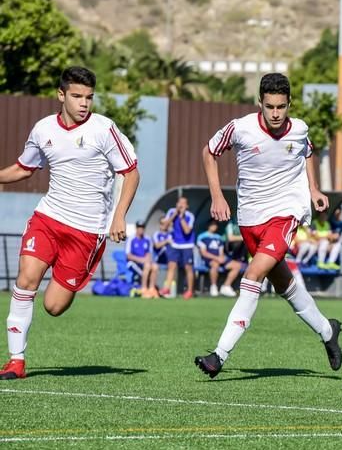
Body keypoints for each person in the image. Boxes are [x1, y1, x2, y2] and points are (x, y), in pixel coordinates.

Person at [195, 72, 342, 379]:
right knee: (285, 286)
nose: (276, 113)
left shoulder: (299, 129)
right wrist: (217, 195)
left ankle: (219, 355)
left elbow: (307, 152)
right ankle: (328, 331)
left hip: (286, 212)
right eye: (270, 106)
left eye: (281, 107)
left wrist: (314, 190)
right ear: (259, 103)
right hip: (250, 218)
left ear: (289, 104)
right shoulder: (240, 129)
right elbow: (209, 153)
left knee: (253, 275)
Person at [0, 66, 139, 380]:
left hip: (87, 232)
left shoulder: (104, 130)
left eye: (89, 97)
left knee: (54, 306)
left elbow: (131, 172)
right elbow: (24, 168)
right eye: (77, 96)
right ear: (61, 95)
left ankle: (63, 283)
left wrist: (119, 215)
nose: (84, 103)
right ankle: (16, 361)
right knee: (26, 281)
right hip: (48, 218)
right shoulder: (43, 129)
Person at [160, 196, 196, 299]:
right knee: (171, 265)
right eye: (179, 203)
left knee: (188, 267)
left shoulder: (190, 216)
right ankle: (167, 288)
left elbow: (187, 231)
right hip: (175, 244)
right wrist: (175, 214)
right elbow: (164, 227)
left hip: (187, 245)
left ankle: (189, 291)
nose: (181, 205)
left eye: (183, 203)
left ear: (187, 206)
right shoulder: (171, 212)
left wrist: (181, 217)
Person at [197, 220, 241, 297]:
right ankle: (213, 287)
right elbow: (204, 253)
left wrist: (221, 257)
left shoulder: (218, 237)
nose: (214, 227)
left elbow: (221, 251)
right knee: (215, 264)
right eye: (212, 225)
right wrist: (217, 258)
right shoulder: (202, 236)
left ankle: (226, 286)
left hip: (219, 258)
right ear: (208, 226)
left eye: (215, 225)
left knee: (237, 265)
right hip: (208, 259)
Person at [125, 221, 158, 298]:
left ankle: (152, 289)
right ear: (136, 228)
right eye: (139, 227)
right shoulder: (131, 239)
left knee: (155, 266)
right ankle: (143, 289)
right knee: (147, 266)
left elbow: (149, 253)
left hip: (145, 262)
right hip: (133, 263)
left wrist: (147, 259)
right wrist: (141, 260)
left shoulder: (147, 239)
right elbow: (128, 256)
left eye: (142, 228)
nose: (141, 229)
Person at [325, 206, 342, 270]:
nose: (338, 215)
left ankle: (330, 263)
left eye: (339, 213)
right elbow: (327, 234)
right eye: (336, 213)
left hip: (335, 243)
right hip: (328, 242)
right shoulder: (330, 222)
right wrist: (331, 240)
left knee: (338, 243)